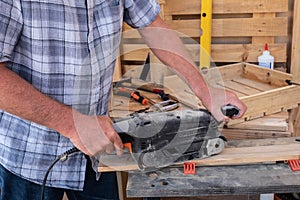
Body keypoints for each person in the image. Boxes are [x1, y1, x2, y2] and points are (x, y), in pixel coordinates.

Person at [0, 0, 247, 200]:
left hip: (99, 154)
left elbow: (154, 28)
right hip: (30, 158)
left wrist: (205, 90)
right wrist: (71, 123)